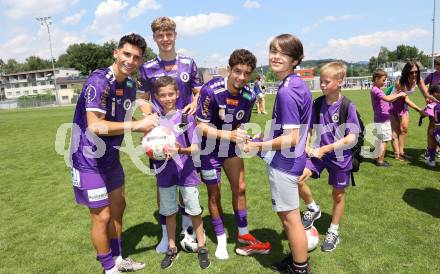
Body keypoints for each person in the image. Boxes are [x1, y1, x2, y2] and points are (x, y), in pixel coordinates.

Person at [70, 34, 159, 274]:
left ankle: (118, 259)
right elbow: (95, 126)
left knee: (118, 205)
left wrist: (148, 126)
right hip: (87, 159)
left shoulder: (129, 85)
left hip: (111, 157)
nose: (130, 61)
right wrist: (136, 126)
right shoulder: (99, 81)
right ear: (116, 53)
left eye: (136, 57)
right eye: (127, 54)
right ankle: (109, 269)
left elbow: (127, 116)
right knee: (102, 215)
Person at [245, 34, 312, 274]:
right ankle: (297, 260)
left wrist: (257, 146)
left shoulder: (287, 91)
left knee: (290, 219)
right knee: (289, 217)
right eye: (273, 50)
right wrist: (261, 140)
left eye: (282, 53)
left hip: (285, 163)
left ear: (295, 60)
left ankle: (300, 267)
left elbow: (291, 138)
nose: (275, 56)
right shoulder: (294, 84)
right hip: (292, 161)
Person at [195, 49, 271, 260]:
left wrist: (245, 139)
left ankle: (243, 233)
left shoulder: (249, 96)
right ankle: (220, 238)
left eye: (247, 73)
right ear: (229, 69)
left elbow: (240, 126)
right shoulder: (211, 90)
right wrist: (227, 134)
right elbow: (200, 126)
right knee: (214, 194)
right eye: (237, 71)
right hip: (209, 147)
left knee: (240, 188)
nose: (241, 77)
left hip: (229, 148)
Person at [139, 16, 202, 253]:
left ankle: (187, 227)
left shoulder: (189, 62)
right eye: (160, 35)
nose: (165, 39)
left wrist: (195, 103)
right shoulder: (147, 68)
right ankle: (166, 236)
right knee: (162, 184)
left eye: (169, 34)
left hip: (185, 133)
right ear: (154, 38)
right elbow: (143, 99)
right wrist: (151, 121)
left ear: (175, 35)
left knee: (187, 181)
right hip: (161, 136)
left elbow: (199, 93)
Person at [298, 61, 360, 254]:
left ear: (339, 82)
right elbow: (307, 129)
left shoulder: (348, 106)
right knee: (297, 176)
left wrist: (326, 148)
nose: (322, 85)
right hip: (319, 155)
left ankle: (333, 230)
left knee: (338, 194)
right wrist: (307, 145)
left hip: (340, 157)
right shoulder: (317, 104)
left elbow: (352, 137)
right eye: (321, 82)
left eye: (326, 82)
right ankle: (313, 207)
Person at [148, 76, 210, 269]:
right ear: (157, 97)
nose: (167, 98)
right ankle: (172, 247)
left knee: (194, 210)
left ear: (177, 94)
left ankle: (201, 247)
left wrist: (179, 150)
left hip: (186, 172)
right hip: (164, 173)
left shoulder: (186, 118)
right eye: (163, 95)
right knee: (168, 211)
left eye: (171, 94)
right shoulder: (155, 122)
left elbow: (194, 148)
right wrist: (153, 149)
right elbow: (149, 145)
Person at [389, 61, 430, 161]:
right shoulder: (400, 82)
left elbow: (427, 94)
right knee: (395, 131)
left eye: (416, 72)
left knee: (404, 128)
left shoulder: (418, 79)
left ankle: (401, 152)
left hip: (403, 106)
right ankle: (396, 154)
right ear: (406, 72)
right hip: (393, 105)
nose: (414, 74)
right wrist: (419, 110)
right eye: (411, 72)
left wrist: (430, 103)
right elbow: (406, 99)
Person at [370, 69, 407, 167]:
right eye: (383, 80)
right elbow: (387, 99)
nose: (384, 82)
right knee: (384, 140)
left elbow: (388, 99)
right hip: (383, 119)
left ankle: (375, 158)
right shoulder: (376, 90)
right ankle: (380, 161)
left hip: (380, 118)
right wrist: (399, 94)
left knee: (379, 139)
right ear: (377, 78)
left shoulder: (376, 89)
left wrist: (396, 95)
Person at [423, 57, 440, 160]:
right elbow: (422, 85)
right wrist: (427, 96)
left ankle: (437, 149)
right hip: (434, 107)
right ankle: (430, 149)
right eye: (437, 67)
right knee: (432, 127)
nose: (438, 69)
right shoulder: (432, 75)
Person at [422, 84, 440, 167]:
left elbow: (423, 113)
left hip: (437, 128)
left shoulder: (434, 105)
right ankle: (431, 159)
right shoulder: (434, 104)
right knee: (432, 133)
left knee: (431, 132)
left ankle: (432, 159)